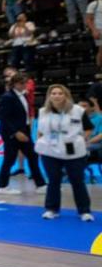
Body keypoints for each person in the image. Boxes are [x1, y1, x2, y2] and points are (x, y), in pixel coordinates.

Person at [35, 84, 94, 221]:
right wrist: (40, 144)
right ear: (49, 96)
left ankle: (84, 211)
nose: (56, 96)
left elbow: (88, 128)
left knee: (77, 181)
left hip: (73, 151)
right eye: (53, 93)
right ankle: (51, 209)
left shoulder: (78, 110)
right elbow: (40, 131)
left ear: (66, 95)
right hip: (50, 150)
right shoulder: (43, 111)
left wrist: (81, 139)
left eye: (60, 93)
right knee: (53, 180)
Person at [0, 72, 46, 195]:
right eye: (22, 83)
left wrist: (26, 130)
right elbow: (4, 117)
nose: (25, 85)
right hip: (11, 133)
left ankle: (40, 185)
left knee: (33, 156)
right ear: (15, 84)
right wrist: (15, 132)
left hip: (24, 131)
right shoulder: (8, 97)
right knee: (9, 159)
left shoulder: (23, 96)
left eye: (26, 82)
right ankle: (2, 186)